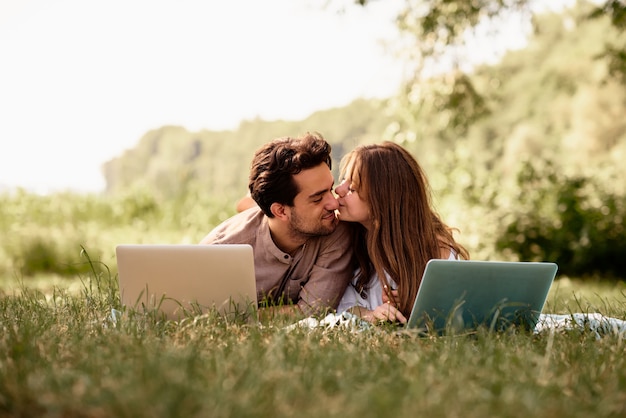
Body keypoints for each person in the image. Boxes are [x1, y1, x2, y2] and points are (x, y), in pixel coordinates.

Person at [200, 132, 354, 319]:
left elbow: (314, 312)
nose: (334, 203)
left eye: (330, 189)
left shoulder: (335, 230)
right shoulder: (219, 251)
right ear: (280, 211)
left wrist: (240, 316)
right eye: (318, 198)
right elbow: (202, 314)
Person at [334, 141, 469, 324]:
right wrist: (369, 315)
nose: (338, 190)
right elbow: (338, 305)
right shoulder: (344, 240)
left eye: (352, 189)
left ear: (382, 201)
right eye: (343, 180)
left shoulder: (436, 251)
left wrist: (413, 305)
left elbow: (451, 314)